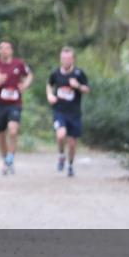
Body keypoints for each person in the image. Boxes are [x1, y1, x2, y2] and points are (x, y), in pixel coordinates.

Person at [0, 41, 32, 174]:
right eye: (1, 48)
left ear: (11, 50)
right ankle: (5, 161)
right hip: (0, 104)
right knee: (1, 135)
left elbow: (30, 75)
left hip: (15, 104)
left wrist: (25, 84)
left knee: (13, 130)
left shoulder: (19, 64)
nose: (4, 51)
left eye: (7, 48)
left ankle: (10, 157)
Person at [46, 46, 90, 177]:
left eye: (68, 58)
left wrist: (78, 86)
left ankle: (70, 165)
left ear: (73, 59)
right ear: (60, 59)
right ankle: (61, 155)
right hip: (59, 110)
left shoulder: (79, 73)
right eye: (63, 58)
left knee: (72, 143)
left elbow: (87, 89)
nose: (65, 61)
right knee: (60, 135)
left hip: (74, 113)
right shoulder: (55, 73)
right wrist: (50, 95)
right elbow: (49, 84)